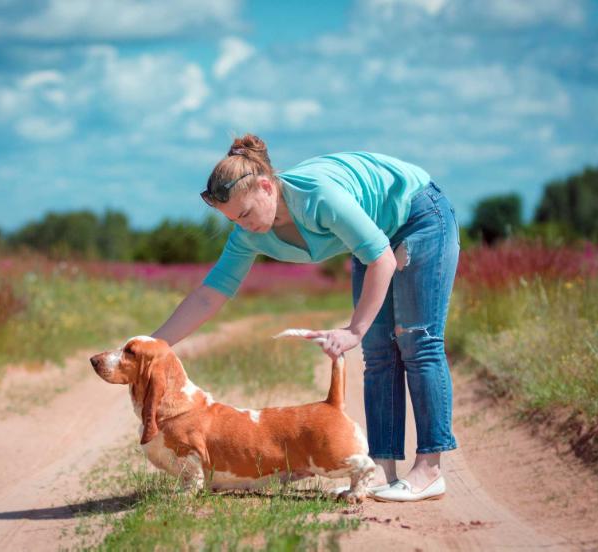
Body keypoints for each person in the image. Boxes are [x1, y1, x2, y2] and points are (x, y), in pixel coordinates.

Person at [151, 134, 460, 502]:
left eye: (246, 213)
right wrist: (153, 346)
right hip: (377, 233)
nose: (243, 225)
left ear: (267, 186)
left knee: (416, 339)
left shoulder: (317, 196)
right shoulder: (248, 234)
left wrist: (353, 329)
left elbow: (383, 260)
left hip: (418, 214)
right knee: (378, 353)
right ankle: (381, 468)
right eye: (233, 219)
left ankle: (430, 469)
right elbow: (208, 295)